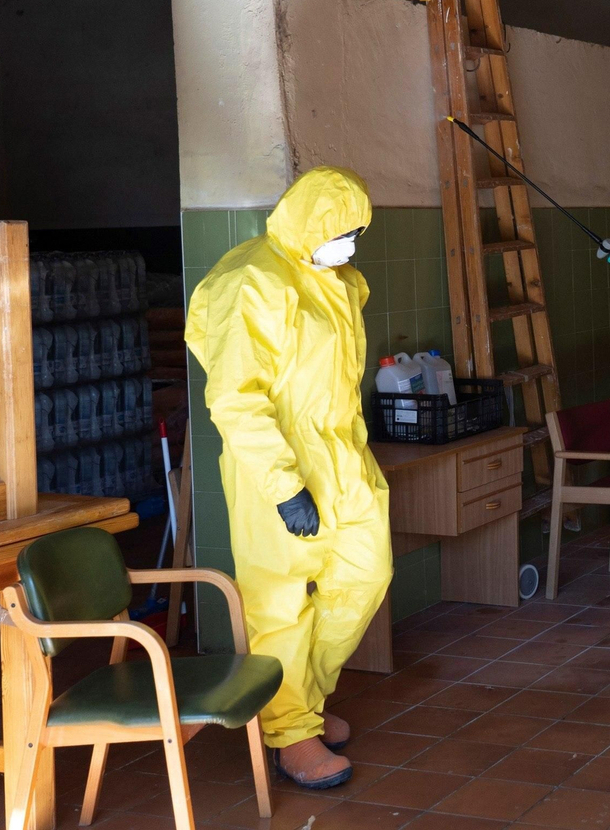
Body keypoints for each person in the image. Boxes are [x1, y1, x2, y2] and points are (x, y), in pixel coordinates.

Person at [184, 166, 390, 789]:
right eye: (340, 233)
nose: (349, 246)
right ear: (308, 222)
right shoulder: (253, 279)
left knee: (365, 574)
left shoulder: (335, 279)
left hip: (342, 454)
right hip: (275, 460)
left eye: (356, 234)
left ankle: (303, 702)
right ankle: (290, 732)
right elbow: (236, 398)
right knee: (279, 602)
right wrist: (284, 485)